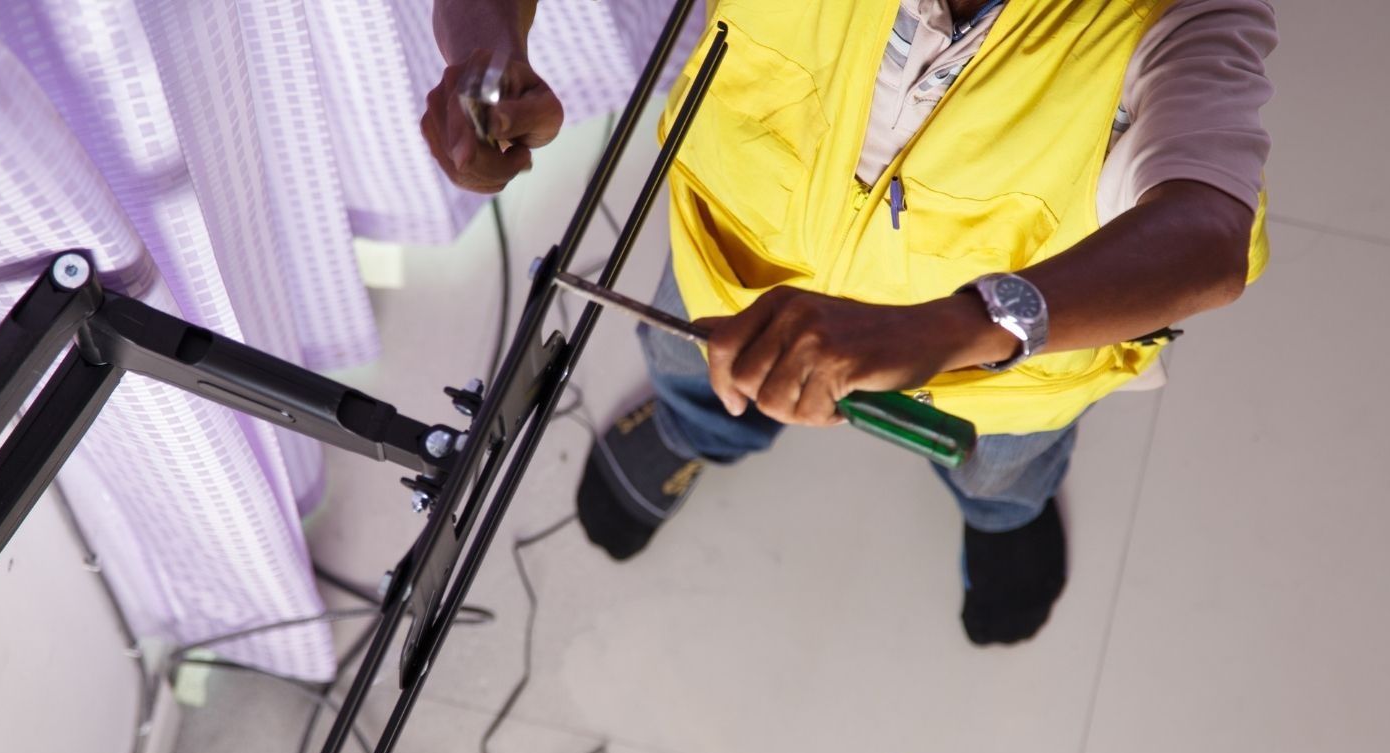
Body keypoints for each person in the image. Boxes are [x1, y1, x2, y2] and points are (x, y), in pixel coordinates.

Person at [421, 0, 1276, 645]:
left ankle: (1001, 516)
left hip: (994, 373)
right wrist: (483, 52)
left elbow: (1204, 234)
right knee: (691, 374)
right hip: (730, 271)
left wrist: (952, 327)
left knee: (999, 465)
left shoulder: (1180, 14)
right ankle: (695, 431)